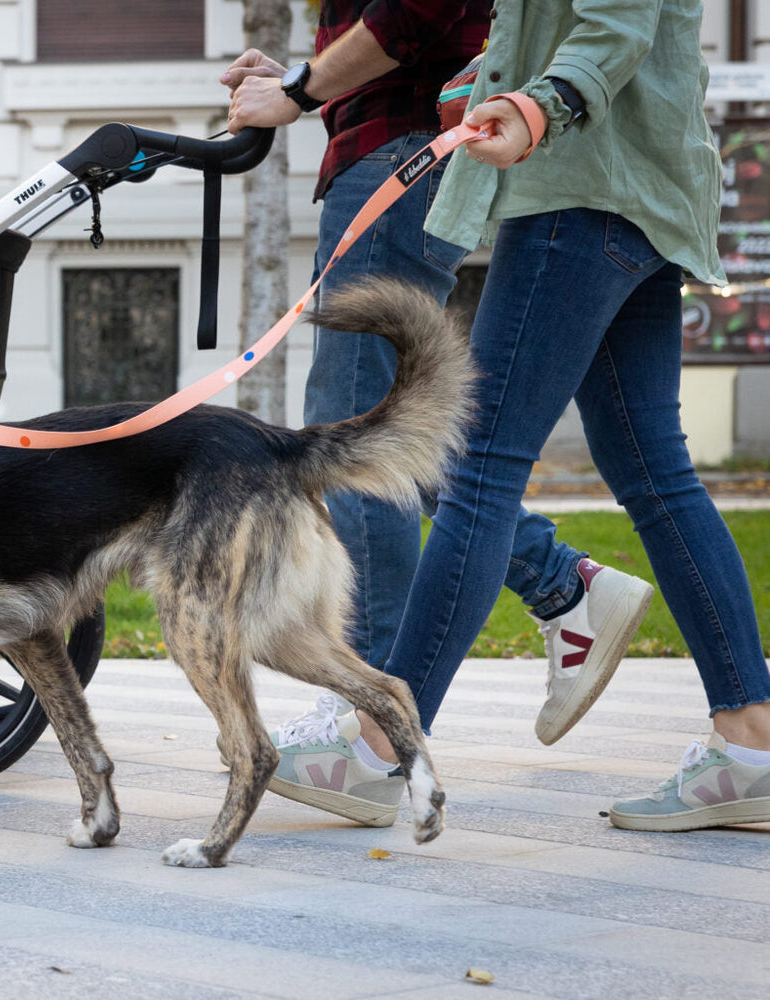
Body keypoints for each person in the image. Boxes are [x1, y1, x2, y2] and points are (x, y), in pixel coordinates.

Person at [261, 0, 770, 832]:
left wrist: (542, 104)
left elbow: (617, 23)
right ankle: (751, 742)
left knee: (478, 471)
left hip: (577, 192)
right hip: (639, 188)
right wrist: (492, 84)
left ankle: (379, 750)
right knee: (655, 475)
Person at [220, 0, 652, 792]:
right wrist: (298, 79)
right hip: (398, 149)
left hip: (405, 152)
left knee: (354, 434)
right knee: (375, 429)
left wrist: (302, 89)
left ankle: (375, 724)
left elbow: (411, 11)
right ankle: (564, 584)